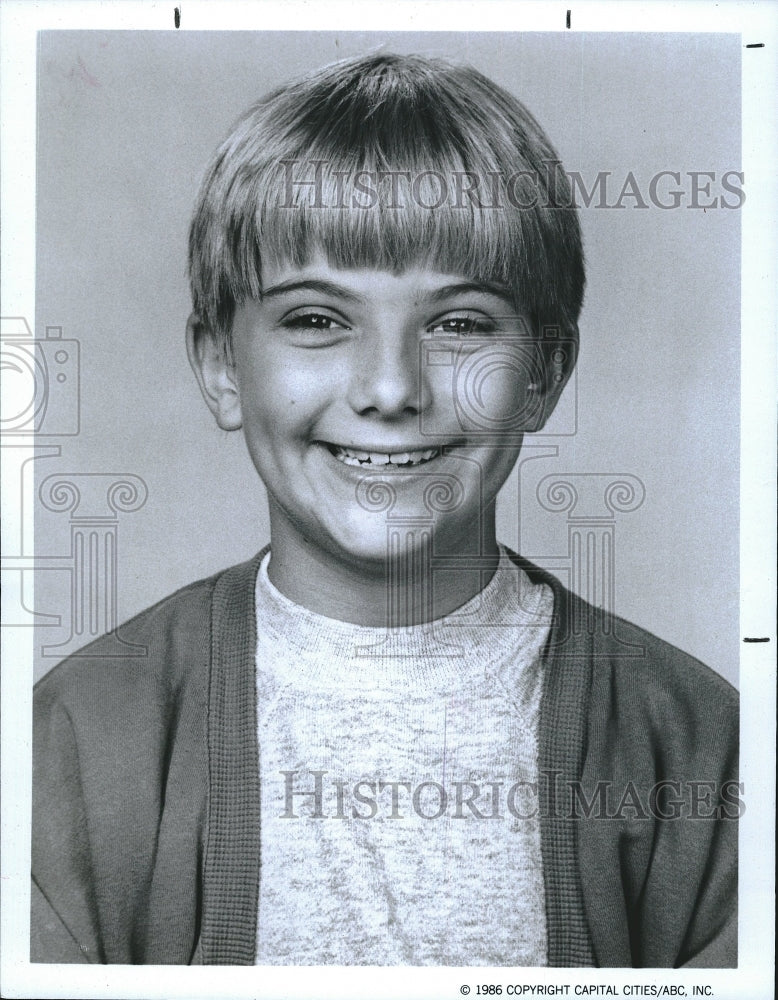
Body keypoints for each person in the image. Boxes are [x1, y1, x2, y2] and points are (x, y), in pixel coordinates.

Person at [32, 53, 738, 968]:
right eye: (318, 320)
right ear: (220, 368)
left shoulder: (696, 743)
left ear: (545, 373)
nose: (391, 389)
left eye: (460, 323)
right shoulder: (79, 740)